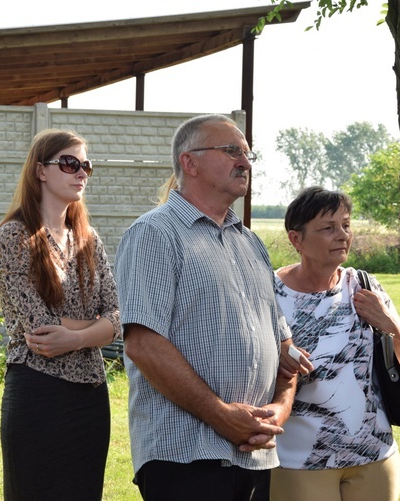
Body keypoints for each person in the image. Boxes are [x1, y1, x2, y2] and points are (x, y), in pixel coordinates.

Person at [114, 114, 312, 501]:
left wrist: (279, 410)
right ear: (190, 162)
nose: (245, 162)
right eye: (231, 151)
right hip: (186, 458)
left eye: (247, 153)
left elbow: (284, 349)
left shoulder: (250, 244)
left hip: (254, 456)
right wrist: (222, 416)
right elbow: (143, 345)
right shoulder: (154, 234)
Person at [0, 128, 121, 500]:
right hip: (38, 392)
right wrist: (98, 329)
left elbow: (119, 317)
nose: (81, 173)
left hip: (92, 397)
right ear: (41, 170)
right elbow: (40, 331)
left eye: (86, 166)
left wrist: (76, 337)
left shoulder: (88, 239)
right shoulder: (14, 236)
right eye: (70, 163)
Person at [270, 186, 400, 501]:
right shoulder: (269, 294)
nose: (342, 235)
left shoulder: (364, 286)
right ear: (295, 239)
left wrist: (388, 322)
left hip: (374, 457)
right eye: (328, 228)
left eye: (346, 225)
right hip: (298, 461)